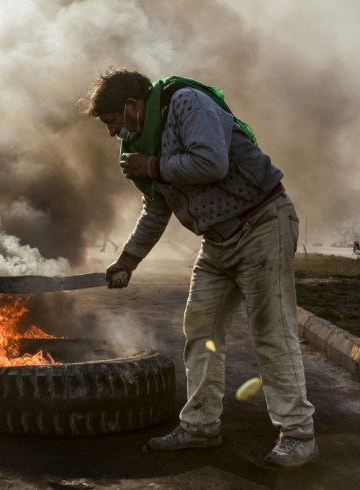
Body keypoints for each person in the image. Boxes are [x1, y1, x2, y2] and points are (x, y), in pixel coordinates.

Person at [79, 68, 317, 469]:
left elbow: (211, 163)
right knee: (200, 332)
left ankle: (298, 435)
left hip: (262, 224)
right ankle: (200, 426)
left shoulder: (186, 103)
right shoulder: (141, 144)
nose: (111, 133)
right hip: (217, 241)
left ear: (132, 106)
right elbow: (157, 206)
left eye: (112, 121)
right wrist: (127, 261)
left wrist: (152, 165)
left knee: (271, 333)